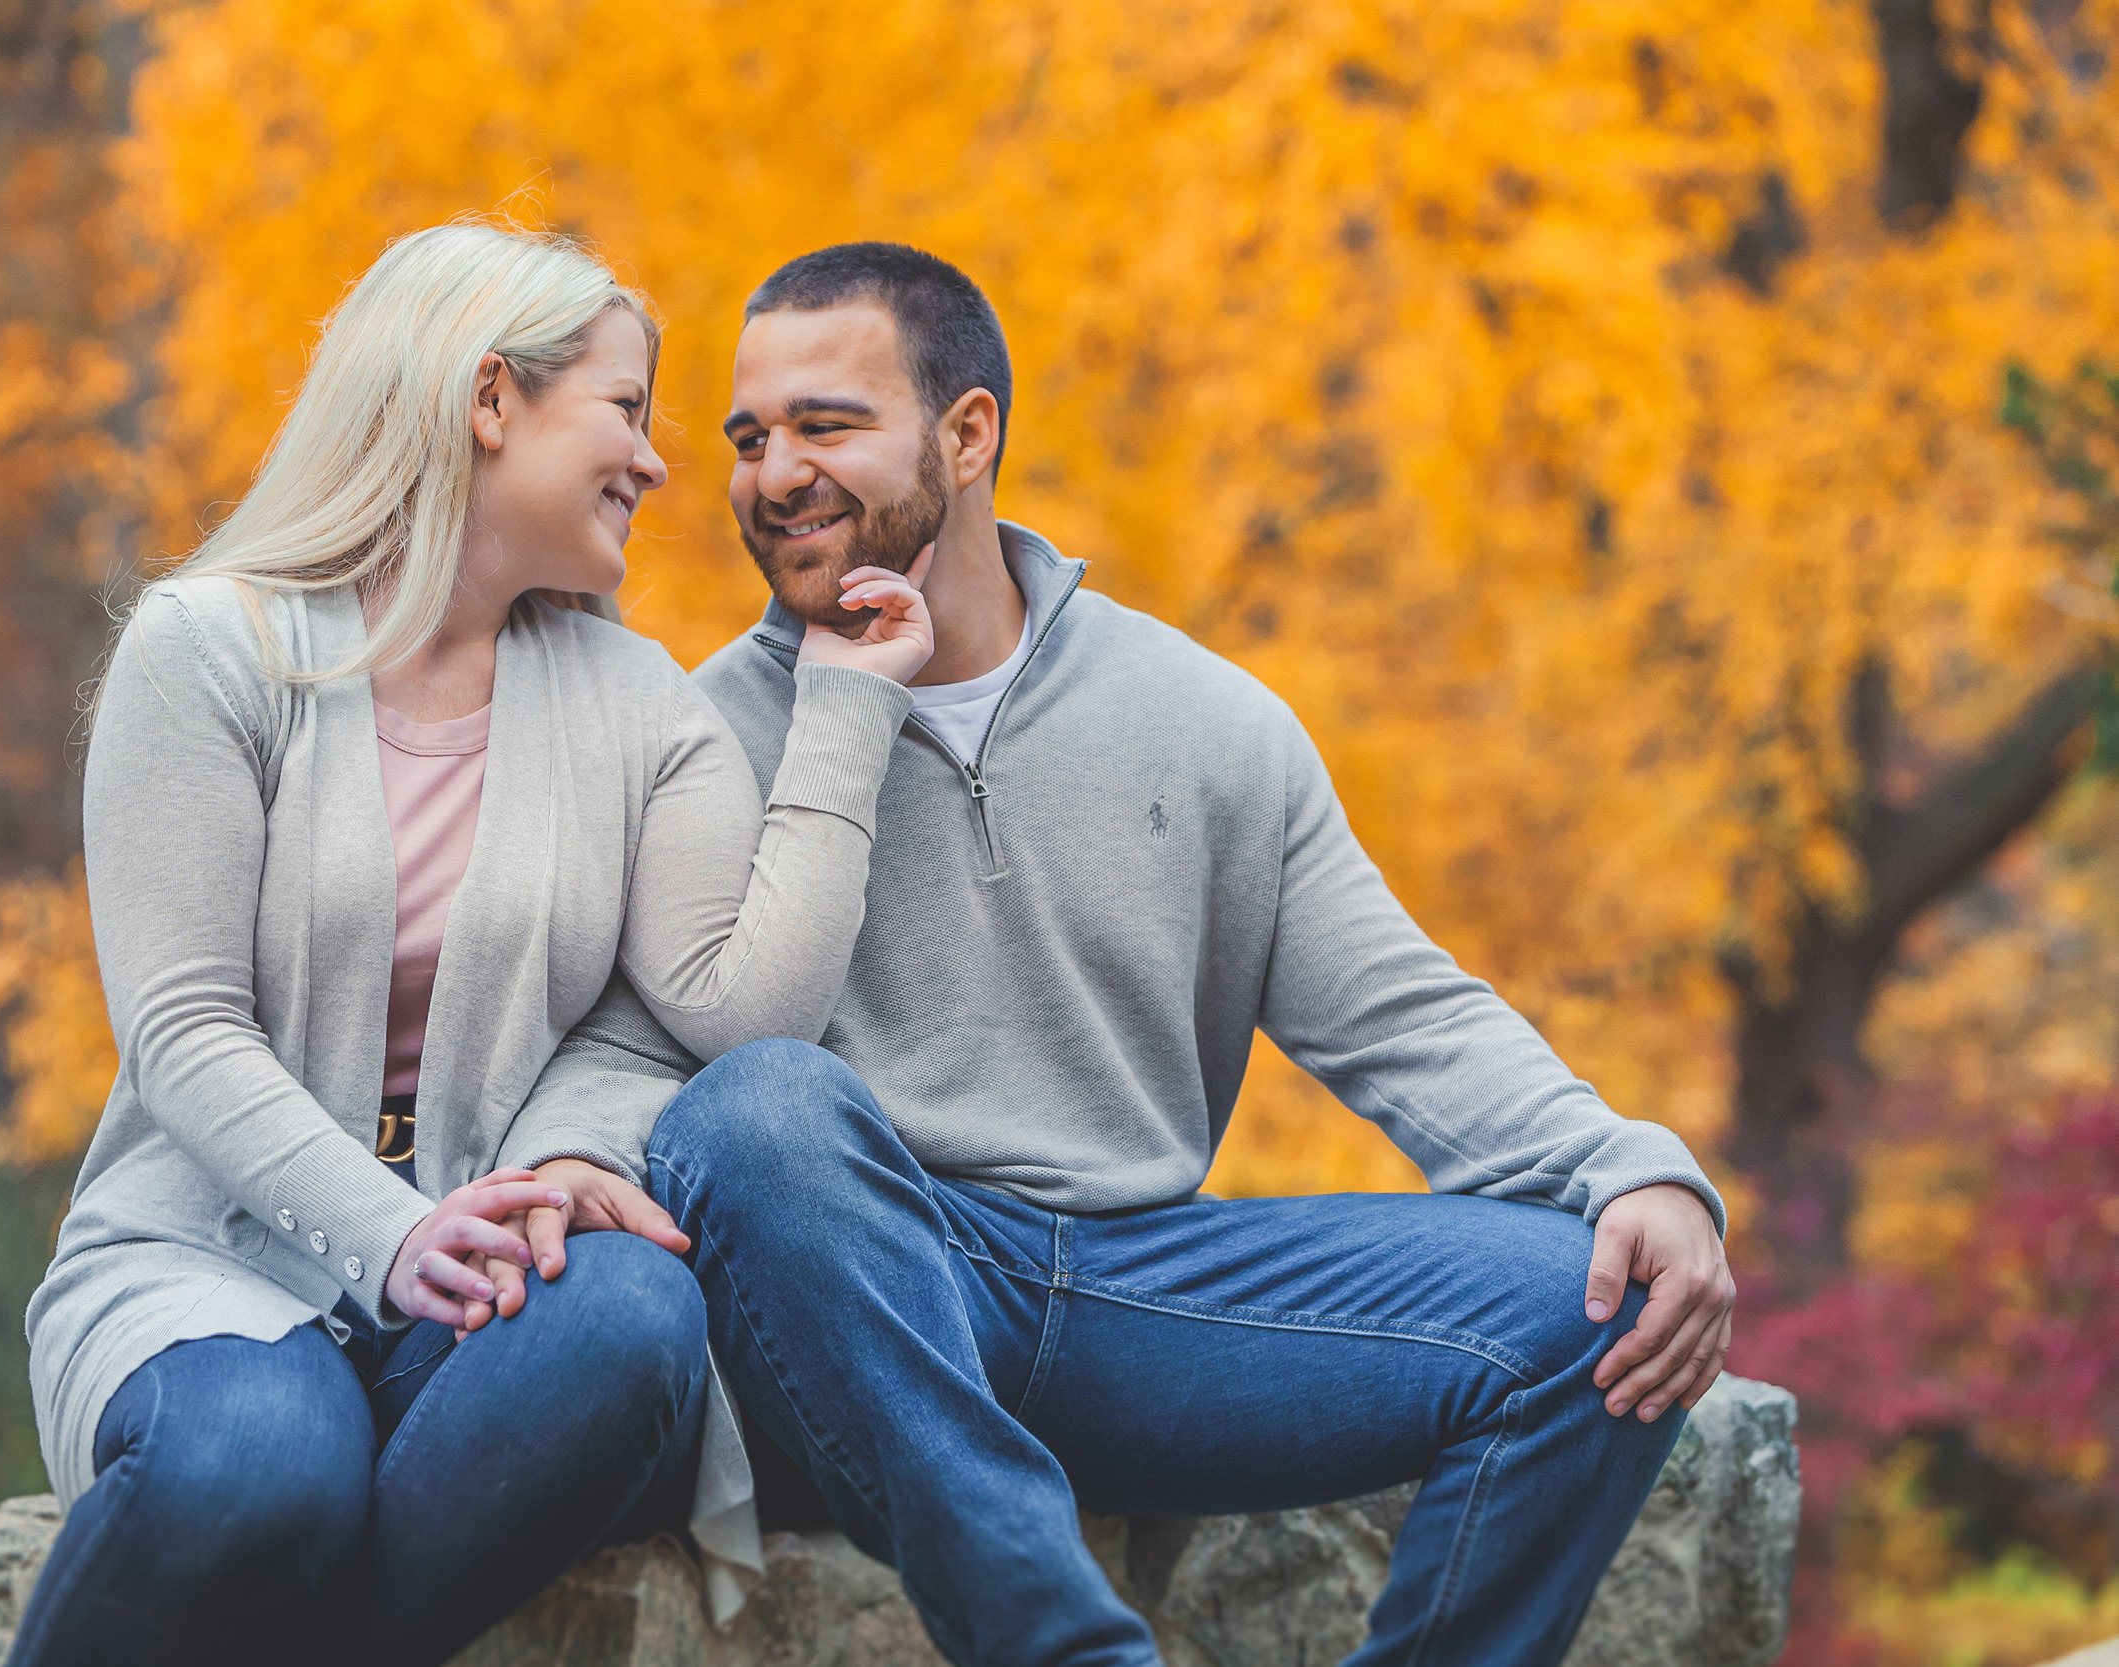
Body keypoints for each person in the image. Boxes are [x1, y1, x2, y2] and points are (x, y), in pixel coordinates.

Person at [509, 242, 1741, 1667]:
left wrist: (1632, 1167)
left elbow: (1405, 1017)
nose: (770, 473)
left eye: (825, 426)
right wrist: (570, 1155)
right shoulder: (697, 734)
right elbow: (626, 1037)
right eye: (747, 437)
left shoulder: (1203, 720)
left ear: (968, 436)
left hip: (1139, 1297)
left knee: (1608, 1303)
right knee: (759, 1113)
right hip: (866, 1311)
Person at [6, 222, 933, 1667]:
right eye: (627, 409)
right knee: (260, 1467)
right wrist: (395, 1237)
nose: (659, 462)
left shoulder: (638, 705)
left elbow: (725, 1012)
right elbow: (183, 1030)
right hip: (217, 1267)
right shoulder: (210, 650)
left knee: (633, 1319)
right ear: (492, 399)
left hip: (493, 1281)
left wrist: (850, 707)